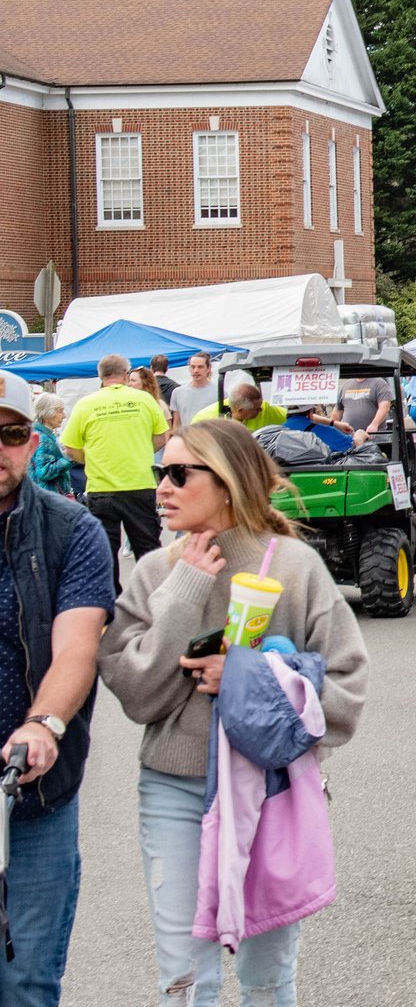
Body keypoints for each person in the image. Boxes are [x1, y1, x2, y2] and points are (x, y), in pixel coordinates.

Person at [97, 418, 368, 1005]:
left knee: (266, 977)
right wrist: (185, 590)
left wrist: (247, 679)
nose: (161, 488)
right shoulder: (155, 571)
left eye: (178, 474)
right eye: (160, 472)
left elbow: (346, 690)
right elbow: (137, 694)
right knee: (184, 980)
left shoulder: (293, 567)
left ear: (227, 483)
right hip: (173, 787)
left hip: (270, 789)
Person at [0, 372, 116, 1004]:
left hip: (31, 796)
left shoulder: (73, 529)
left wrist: (42, 724)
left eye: (10, 433)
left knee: (24, 981)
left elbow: (77, 646)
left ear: (31, 440)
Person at [61, 353, 169, 585]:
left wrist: (91, 460)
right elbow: (162, 436)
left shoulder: (86, 404)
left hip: (102, 488)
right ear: (126, 374)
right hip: (140, 484)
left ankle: (110, 602)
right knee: (148, 550)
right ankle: (153, 597)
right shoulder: (145, 400)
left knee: (105, 554)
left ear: (100, 376)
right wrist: (141, 449)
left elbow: (70, 448)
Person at [29, 393, 77, 498]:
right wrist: (71, 457)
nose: (64, 416)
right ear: (46, 413)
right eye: (60, 411)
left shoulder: (38, 433)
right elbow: (44, 472)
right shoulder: (43, 438)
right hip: (48, 497)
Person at [194, 383, 288, 432]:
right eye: (256, 409)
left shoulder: (265, 408)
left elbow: (291, 416)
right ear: (240, 410)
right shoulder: (203, 420)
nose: (261, 410)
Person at [338, 368, 394, 446]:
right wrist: (332, 427)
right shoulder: (346, 385)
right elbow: (338, 411)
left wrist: (374, 424)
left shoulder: (379, 383)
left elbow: (384, 406)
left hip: (373, 438)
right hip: (348, 438)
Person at [167, 352, 220, 433]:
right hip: (186, 438)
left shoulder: (219, 392)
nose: (196, 371)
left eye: (200, 367)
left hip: (209, 438)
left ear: (208, 368)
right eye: (193, 367)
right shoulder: (178, 392)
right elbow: (176, 424)